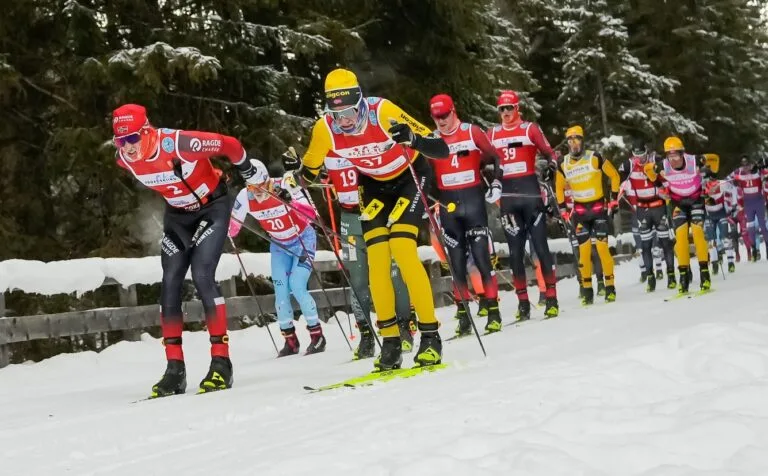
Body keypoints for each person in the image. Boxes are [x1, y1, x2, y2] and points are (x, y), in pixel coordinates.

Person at [291, 68, 450, 370]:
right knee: (377, 258)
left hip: (409, 177)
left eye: (349, 112)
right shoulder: (325, 129)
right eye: (337, 115)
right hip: (373, 185)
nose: (344, 121)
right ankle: (390, 342)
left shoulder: (382, 111)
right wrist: (295, 171)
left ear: (360, 103)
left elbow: (441, 148)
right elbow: (307, 175)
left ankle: (430, 337)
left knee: (402, 248)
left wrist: (413, 139)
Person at [112, 103, 258, 397]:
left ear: (147, 131)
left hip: (212, 208)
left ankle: (221, 363)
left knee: (202, 274)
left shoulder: (179, 143)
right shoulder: (124, 160)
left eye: (132, 138)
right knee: (170, 281)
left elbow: (229, 144)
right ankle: (174, 370)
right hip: (178, 218)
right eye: (120, 141)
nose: (127, 147)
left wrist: (247, 169)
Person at [318, 152, 416, 357]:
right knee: (358, 280)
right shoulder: (325, 147)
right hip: (350, 218)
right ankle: (366, 335)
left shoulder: (365, 141)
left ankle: (403, 327)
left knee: (393, 274)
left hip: (378, 212)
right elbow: (305, 174)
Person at [228, 159, 327, 356]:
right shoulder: (245, 196)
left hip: (302, 240)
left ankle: (317, 336)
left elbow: (311, 216)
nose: (257, 192)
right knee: (281, 291)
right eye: (252, 187)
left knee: (297, 285)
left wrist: (290, 201)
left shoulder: (285, 184)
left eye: (261, 186)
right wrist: (222, 221)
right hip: (280, 245)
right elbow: (233, 228)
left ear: (268, 180)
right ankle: (290, 340)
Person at [427, 93, 502, 335]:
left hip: (473, 203)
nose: (441, 121)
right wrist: (426, 198)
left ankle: (493, 312)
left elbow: (494, 157)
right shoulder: (432, 139)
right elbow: (424, 171)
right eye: (436, 117)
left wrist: (496, 182)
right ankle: (464, 316)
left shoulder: (472, 132)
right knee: (456, 263)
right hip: (449, 207)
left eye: (444, 115)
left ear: (453, 111)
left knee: (481, 257)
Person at [487, 90, 559, 320]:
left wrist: (551, 167)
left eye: (510, 108)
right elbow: (479, 160)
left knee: (540, 247)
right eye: (502, 109)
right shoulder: (492, 133)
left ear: (517, 108)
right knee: (515, 253)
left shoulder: (530, 129)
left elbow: (550, 153)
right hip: (508, 200)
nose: (506, 112)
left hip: (530, 195)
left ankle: (551, 298)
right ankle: (523, 303)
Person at [555, 125, 620, 305]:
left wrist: (614, 199)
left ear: (582, 141)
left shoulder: (595, 157)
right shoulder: (563, 163)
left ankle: (610, 287)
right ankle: (587, 291)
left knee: (602, 248)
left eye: (577, 139)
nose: (573, 143)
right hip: (580, 212)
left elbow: (614, 175)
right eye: (570, 140)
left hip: (598, 209)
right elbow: (559, 188)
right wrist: (562, 209)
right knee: (583, 253)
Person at [643, 136, 710, 294]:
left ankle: (705, 275)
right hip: (678, 202)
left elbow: (714, 160)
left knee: (698, 233)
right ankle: (684, 278)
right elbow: (647, 170)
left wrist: (710, 176)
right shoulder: (663, 165)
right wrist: (660, 186)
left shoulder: (694, 161)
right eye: (669, 156)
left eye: (675, 156)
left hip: (696, 200)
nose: (672, 160)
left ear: (682, 153)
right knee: (680, 238)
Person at [617, 138, 676, 292]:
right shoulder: (629, 164)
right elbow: (619, 178)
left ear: (646, 152)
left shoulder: (656, 159)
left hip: (658, 205)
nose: (640, 159)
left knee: (665, 242)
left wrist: (665, 186)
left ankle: (671, 276)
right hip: (642, 209)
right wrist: (621, 187)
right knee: (645, 245)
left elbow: (668, 175)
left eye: (642, 155)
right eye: (636, 155)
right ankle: (650, 278)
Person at [728, 155, 768, 260]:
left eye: (747, 164)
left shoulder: (757, 171)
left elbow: (765, 174)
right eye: (743, 164)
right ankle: (754, 249)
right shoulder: (739, 172)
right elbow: (728, 179)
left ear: (750, 164)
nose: (745, 167)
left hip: (758, 201)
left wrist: (761, 167)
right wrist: (733, 181)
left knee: (763, 226)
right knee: (750, 228)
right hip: (748, 203)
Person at [702, 171, 737, 273]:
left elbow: (733, 188)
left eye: (711, 179)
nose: (709, 181)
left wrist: (733, 205)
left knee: (725, 238)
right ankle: (714, 264)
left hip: (721, 213)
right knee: (711, 241)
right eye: (707, 179)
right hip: (709, 215)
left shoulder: (721, 183)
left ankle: (731, 262)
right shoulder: (702, 186)